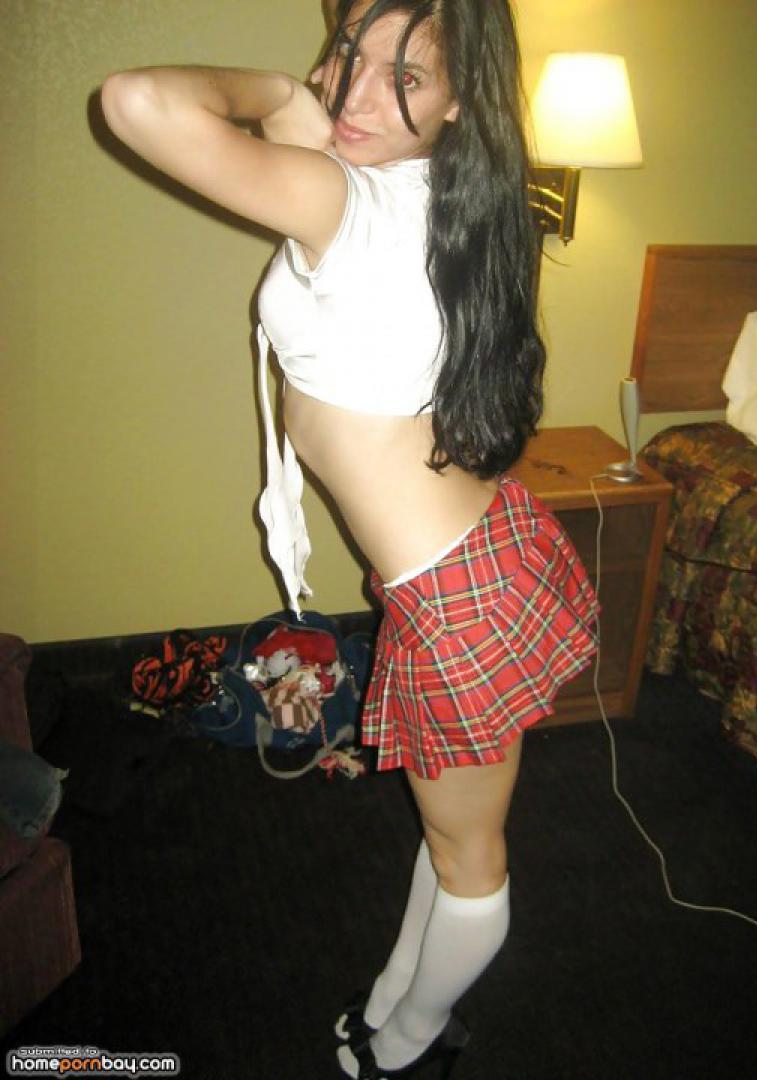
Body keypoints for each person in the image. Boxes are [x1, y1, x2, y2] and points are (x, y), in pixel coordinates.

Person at [101, 1, 600, 1076]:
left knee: (471, 859)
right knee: (451, 833)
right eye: (347, 55)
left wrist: (290, 93)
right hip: (459, 567)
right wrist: (329, 101)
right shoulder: (438, 192)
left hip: (459, 595)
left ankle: (408, 1043)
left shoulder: (350, 199)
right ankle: (392, 997)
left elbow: (136, 102)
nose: (358, 95)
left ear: (460, 99)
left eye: (405, 76)